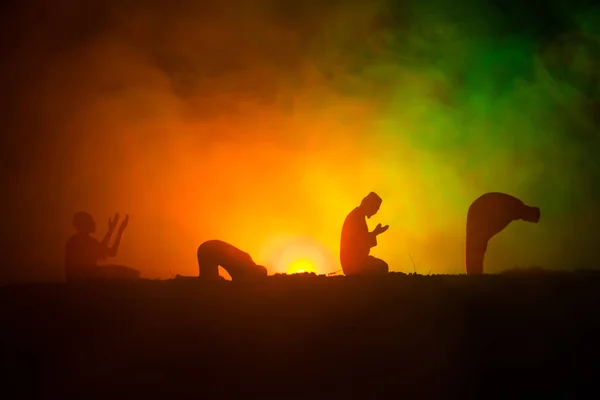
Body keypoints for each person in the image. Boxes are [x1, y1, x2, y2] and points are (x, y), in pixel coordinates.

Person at [466, 192, 541, 275]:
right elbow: (498, 222)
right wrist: (485, 236)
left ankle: (474, 274)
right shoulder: (514, 208)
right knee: (476, 245)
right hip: (480, 209)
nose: (528, 220)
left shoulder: (517, 208)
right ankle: (474, 274)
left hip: (480, 208)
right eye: (530, 218)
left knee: (476, 245)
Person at [65, 212, 140, 282]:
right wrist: (111, 230)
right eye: (91, 221)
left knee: (125, 272)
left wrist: (119, 232)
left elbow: (111, 252)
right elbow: (105, 250)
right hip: (84, 277)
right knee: (127, 273)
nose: (94, 223)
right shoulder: (79, 240)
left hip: (85, 275)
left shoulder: (78, 239)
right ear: (84, 224)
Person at [340, 192, 389, 276]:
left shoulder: (358, 216)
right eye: (375, 208)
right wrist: (375, 233)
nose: (375, 212)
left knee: (381, 265)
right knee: (382, 267)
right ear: (368, 204)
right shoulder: (356, 217)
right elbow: (359, 243)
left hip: (356, 261)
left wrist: (374, 233)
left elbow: (361, 239)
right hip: (353, 263)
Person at [196, 240, 268, 282]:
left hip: (207, 247)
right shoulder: (243, 269)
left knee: (209, 279)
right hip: (208, 250)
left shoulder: (247, 259)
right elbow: (238, 282)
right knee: (209, 281)